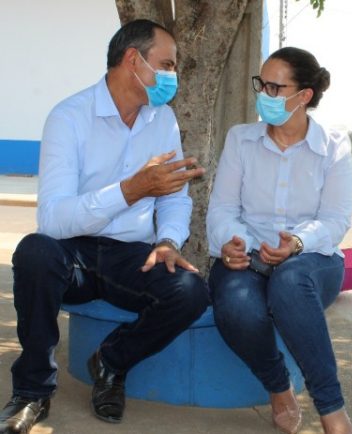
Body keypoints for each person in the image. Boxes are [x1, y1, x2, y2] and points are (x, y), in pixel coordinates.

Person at [0, 19, 209, 434]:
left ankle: (111, 363)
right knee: (35, 252)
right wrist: (130, 190)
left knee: (190, 291)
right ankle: (32, 391)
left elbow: (173, 195)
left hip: (129, 256)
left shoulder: (162, 119)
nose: (173, 76)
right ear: (133, 60)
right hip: (72, 253)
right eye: (167, 65)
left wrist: (168, 241)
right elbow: (53, 219)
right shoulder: (69, 117)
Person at [206, 47, 352, 434]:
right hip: (249, 256)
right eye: (261, 84)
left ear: (304, 95)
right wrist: (233, 242)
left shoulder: (334, 146)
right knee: (236, 305)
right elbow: (222, 208)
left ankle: (331, 409)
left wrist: (297, 244)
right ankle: (278, 386)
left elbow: (336, 220)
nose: (264, 95)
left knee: (290, 279)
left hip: (313, 261)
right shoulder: (241, 140)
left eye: (275, 87)